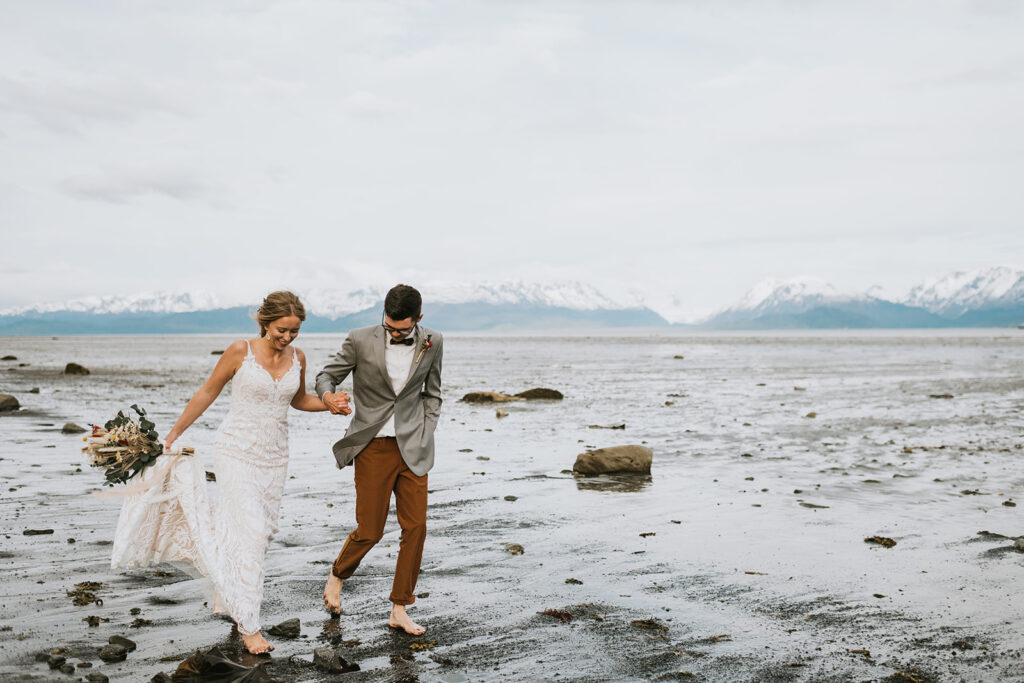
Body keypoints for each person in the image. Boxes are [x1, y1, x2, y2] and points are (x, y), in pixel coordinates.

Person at [109, 291, 350, 655]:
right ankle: (249, 624)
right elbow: (208, 392)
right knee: (250, 532)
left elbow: (299, 400)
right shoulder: (240, 351)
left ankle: (225, 593)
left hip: (275, 456)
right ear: (265, 322)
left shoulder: (298, 357)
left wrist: (329, 405)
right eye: (281, 330)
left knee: (261, 533)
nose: (287, 337)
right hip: (235, 452)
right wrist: (173, 436)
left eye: (295, 331)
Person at [317, 284, 443, 636]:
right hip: (373, 446)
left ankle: (399, 608)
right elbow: (326, 375)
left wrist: (425, 430)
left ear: (418, 319)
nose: (395, 333)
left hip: (413, 447)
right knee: (370, 530)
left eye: (403, 329)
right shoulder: (359, 339)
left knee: (415, 527)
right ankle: (337, 573)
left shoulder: (435, 340)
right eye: (390, 326)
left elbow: (433, 393)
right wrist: (328, 397)